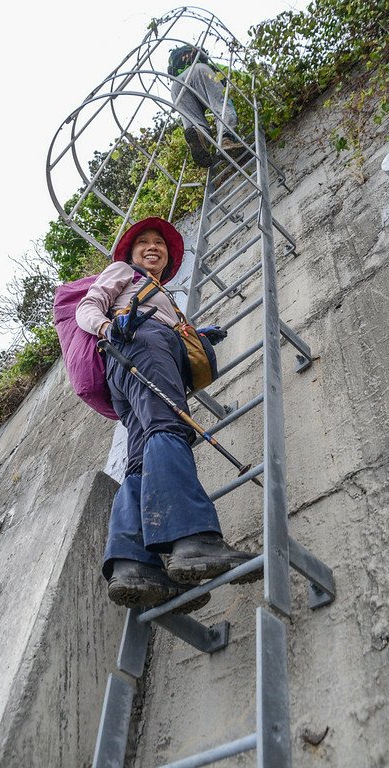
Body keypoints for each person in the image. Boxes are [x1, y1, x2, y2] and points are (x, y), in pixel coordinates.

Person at [75, 216, 260, 612]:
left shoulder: (159, 293)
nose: (153, 247)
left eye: (159, 243)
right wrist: (109, 327)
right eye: (143, 242)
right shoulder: (123, 272)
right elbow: (88, 307)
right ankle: (193, 539)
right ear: (131, 252)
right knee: (169, 427)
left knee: (141, 459)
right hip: (139, 347)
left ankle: (133, 565)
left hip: (126, 366)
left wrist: (196, 335)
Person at [168, 45, 245, 167]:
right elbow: (234, 74)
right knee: (221, 105)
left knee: (194, 121)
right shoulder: (204, 64)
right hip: (200, 71)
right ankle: (225, 139)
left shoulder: (175, 67)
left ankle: (200, 135)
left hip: (176, 86)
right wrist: (252, 80)